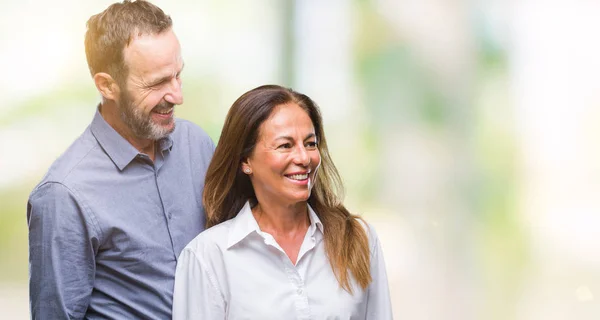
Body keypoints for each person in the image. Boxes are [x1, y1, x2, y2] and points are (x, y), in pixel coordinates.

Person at [27, 1, 214, 318]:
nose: (177, 96)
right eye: (157, 83)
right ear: (107, 85)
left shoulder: (197, 144)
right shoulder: (63, 194)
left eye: (177, 75)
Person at [172, 85, 393, 319]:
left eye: (310, 143)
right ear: (246, 160)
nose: (304, 158)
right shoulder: (209, 256)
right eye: (285, 145)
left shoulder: (358, 239)